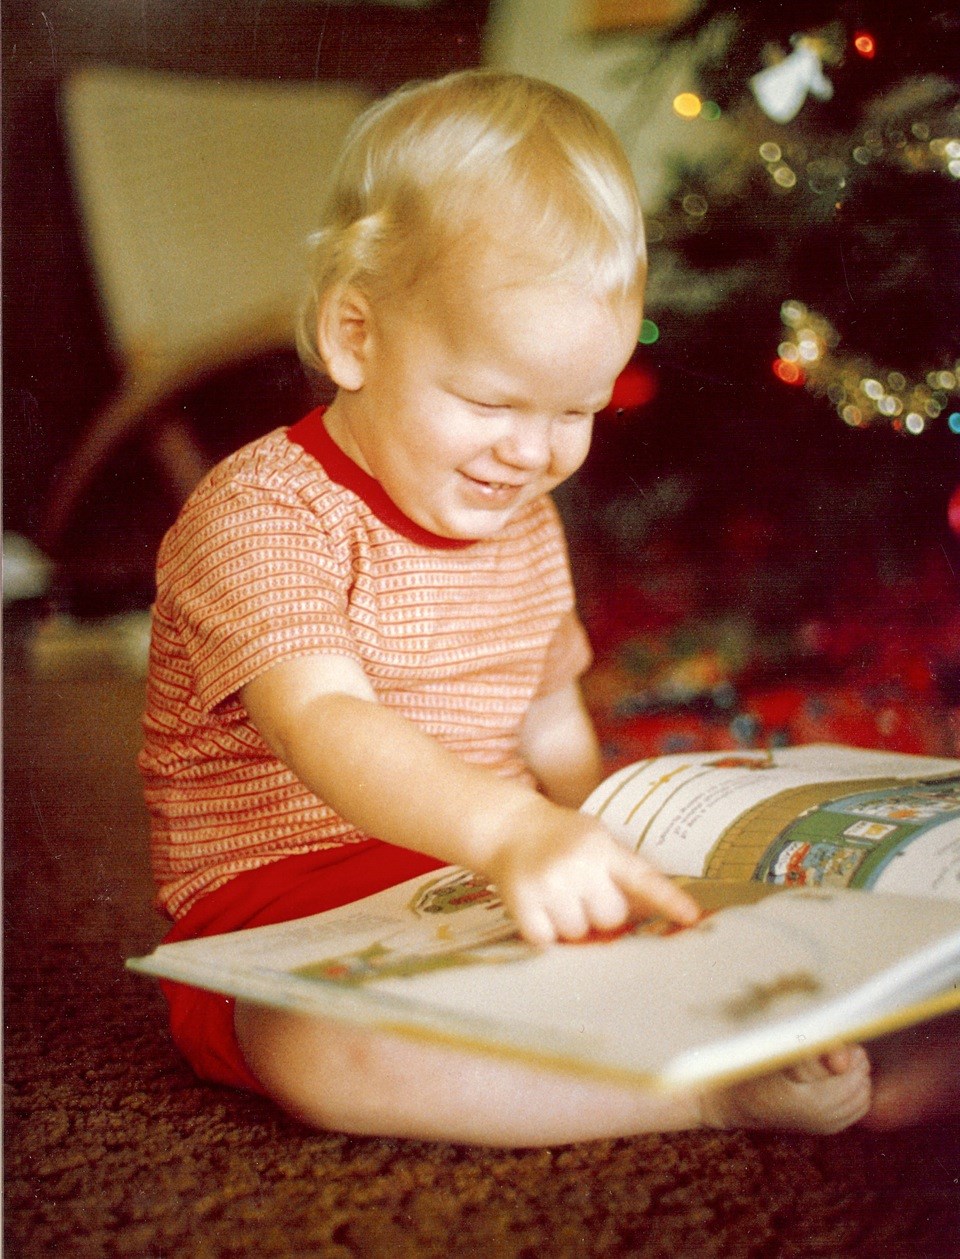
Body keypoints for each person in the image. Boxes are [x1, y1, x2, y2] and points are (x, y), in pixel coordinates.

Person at [139, 68, 873, 1145]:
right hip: (286, 911)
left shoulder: (521, 516)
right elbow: (323, 721)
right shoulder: (262, 512)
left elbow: (549, 722)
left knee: (785, 965)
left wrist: (620, 847)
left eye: (576, 408)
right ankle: (699, 1094)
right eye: (490, 399)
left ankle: (827, 1065)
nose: (533, 453)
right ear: (356, 336)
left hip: (489, 881)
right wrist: (512, 829)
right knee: (329, 1052)